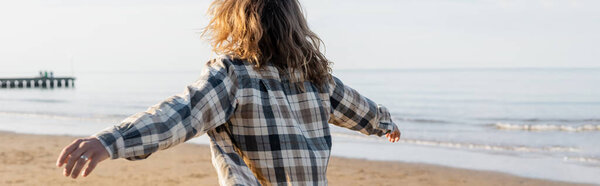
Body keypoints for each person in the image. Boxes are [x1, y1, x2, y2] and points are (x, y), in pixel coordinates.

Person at [56, 0, 401, 185]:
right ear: (295, 24)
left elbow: (180, 114)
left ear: (233, 21)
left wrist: (111, 140)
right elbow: (360, 108)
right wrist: (384, 123)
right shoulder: (316, 78)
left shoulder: (234, 75)